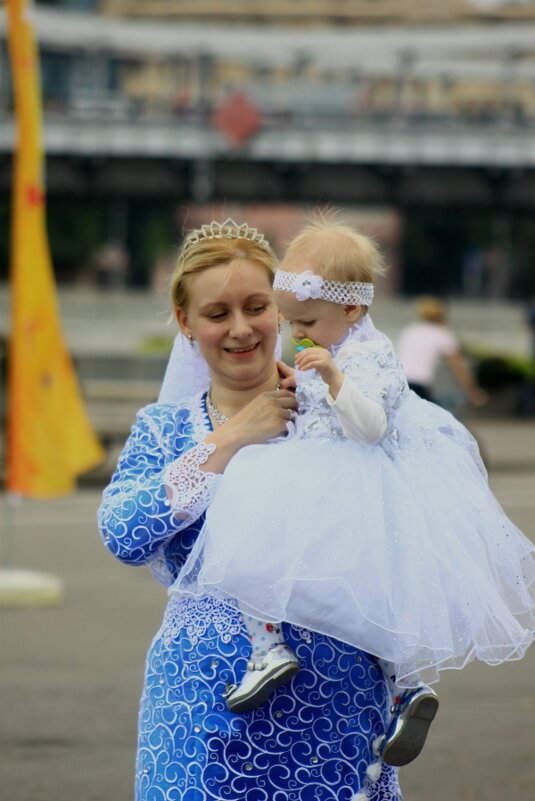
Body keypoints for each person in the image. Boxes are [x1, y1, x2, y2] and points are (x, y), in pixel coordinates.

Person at [172, 219, 535, 767]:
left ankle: (403, 686)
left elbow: (369, 426)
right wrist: (310, 383)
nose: (299, 334)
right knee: (258, 544)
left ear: (353, 309)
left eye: (308, 321)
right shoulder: (330, 345)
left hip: (353, 482)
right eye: (292, 322)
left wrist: (336, 380)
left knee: (369, 588)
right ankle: (273, 649)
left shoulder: (370, 358)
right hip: (317, 472)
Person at [98, 219, 402, 801]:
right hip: (202, 705)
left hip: (334, 708)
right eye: (217, 314)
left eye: (257, 307)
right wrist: (233, 436)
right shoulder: (165, 428)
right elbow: (123, 534)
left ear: (284, 310)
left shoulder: (349, 415)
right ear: (186, 323)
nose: (241, 329)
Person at [397, 296, 487, 406]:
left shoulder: (410, 330)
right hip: (419, 383)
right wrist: (472, 392)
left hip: (400, 381)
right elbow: (458, 368)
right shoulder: (441, 334)